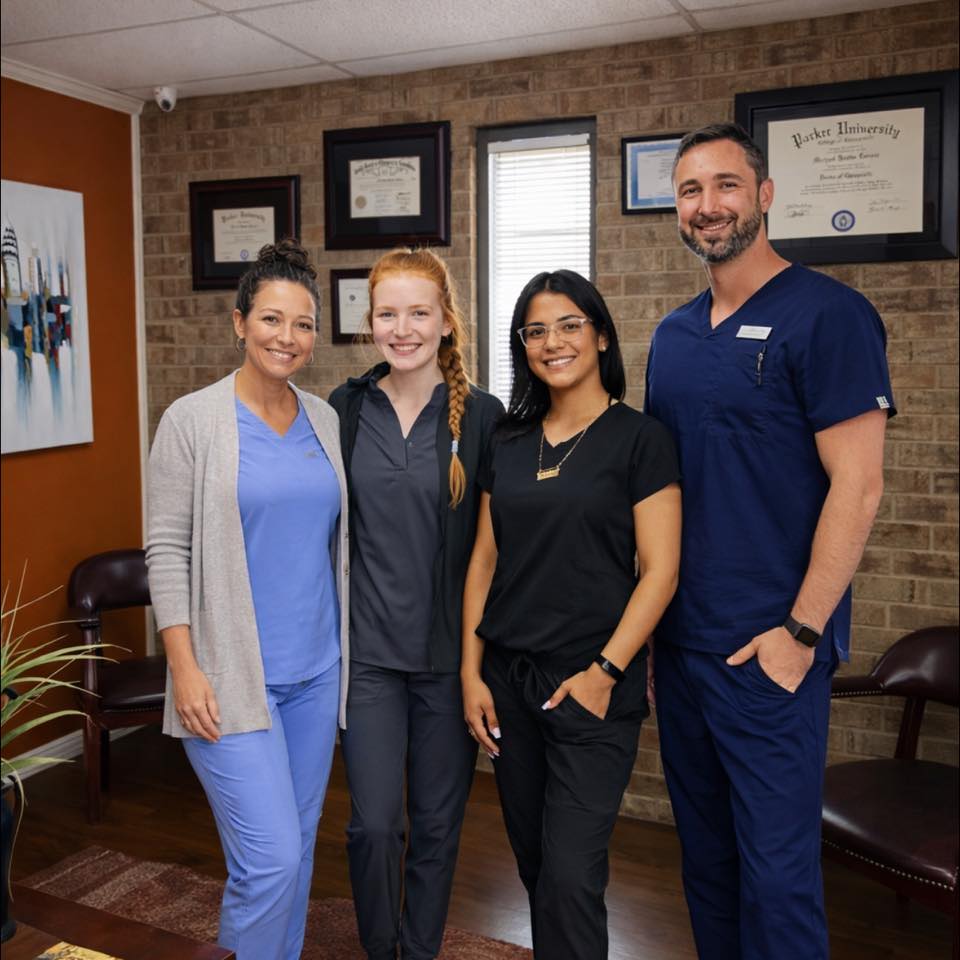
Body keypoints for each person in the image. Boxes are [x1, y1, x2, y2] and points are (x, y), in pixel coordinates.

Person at [644, 123, 894, 960]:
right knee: (707, 866)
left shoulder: (831, 316)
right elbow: (663, 493)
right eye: (690, 190)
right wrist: (653, 635)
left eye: (725, 185)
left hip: (770, 653)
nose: (707, 205)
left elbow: (859, 486)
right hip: (684, 650)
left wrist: (800, 633)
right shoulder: (674, 336)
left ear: (765, 195)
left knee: (778, 880)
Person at [461, 270, 681, 960]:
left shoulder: (641, 439)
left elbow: (661, 571)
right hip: (509, 683)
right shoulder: (507, 439)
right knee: (535, 865)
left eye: (568, 325)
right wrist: (471, 673)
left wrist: (604, 672)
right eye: (535, 330)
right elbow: (484, 561)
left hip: (592, 687)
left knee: (569, 875)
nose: (552, 342)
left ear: (601, 336)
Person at [145, 240, 349, 960]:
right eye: (270, 318)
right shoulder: (192, 421)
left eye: (302, 324)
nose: (286, 337)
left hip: (316, 675)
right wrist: (184, 667)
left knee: (294, 853)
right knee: (271, 860)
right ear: (239, 323)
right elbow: (165, 549)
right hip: (229, 678)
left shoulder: (325, 420)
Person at [329, 248, 503, 960]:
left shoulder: (483, 417)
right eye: (387, 314)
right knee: (374, 827)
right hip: (367, 659)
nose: (402, 330)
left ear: (447, 322)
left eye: (419, 313)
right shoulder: (344, 408)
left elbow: (492, 553)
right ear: (370, 322)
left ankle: (419, 952)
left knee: (435, 828)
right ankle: (381, 949)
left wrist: (476, 667)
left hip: (447, 663)